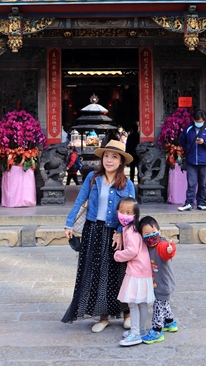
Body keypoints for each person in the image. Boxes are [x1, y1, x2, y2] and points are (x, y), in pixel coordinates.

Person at [62, 140, 136, 333]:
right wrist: (69, 223)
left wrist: (121, 233)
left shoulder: (127, 184)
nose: (109, 160)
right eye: (106, 156)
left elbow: (132, 212)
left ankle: (126, 314)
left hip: (115, 233)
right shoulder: (92, 178)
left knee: (120, 274)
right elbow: (80, 200)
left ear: (121, 162)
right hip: (93, 231)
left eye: (114, 157)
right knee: (97, 274)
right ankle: (103, 317)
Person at [112, 197, 154, 347]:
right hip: (144, 271)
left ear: (135, 214)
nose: (124, 214)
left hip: (135, 272)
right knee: (141, 303)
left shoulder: (130, 231)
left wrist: (117, 256)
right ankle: (142, 330)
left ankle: (135, 333)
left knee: (133, 303)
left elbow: (132, 251)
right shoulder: (133, 229)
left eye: (128, 212)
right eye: (122, 211)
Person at [138, 215, 178, 344]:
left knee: (158, 306)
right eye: (147, 233)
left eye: (154, 232)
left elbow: (168, 251)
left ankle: (157, 330)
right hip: (159, 283)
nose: (151, 235)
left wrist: (170, 249)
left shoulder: (161, 245)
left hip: (164, 283)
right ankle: (170, 323)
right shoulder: (147, 247)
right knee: (164, 303)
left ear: (159, 230)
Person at [177, 110, 206, 212]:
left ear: (203, 120)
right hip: (192, 161)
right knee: (191, 183)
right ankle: (189, 203)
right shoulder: (188, 129)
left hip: (204, 161)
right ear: (193, 120)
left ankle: (201, 203)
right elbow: (181, 141)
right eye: (196, 120)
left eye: (200, 120)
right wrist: (188, 148)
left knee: (202, 183)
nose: (198, 122)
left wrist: (204, 142)